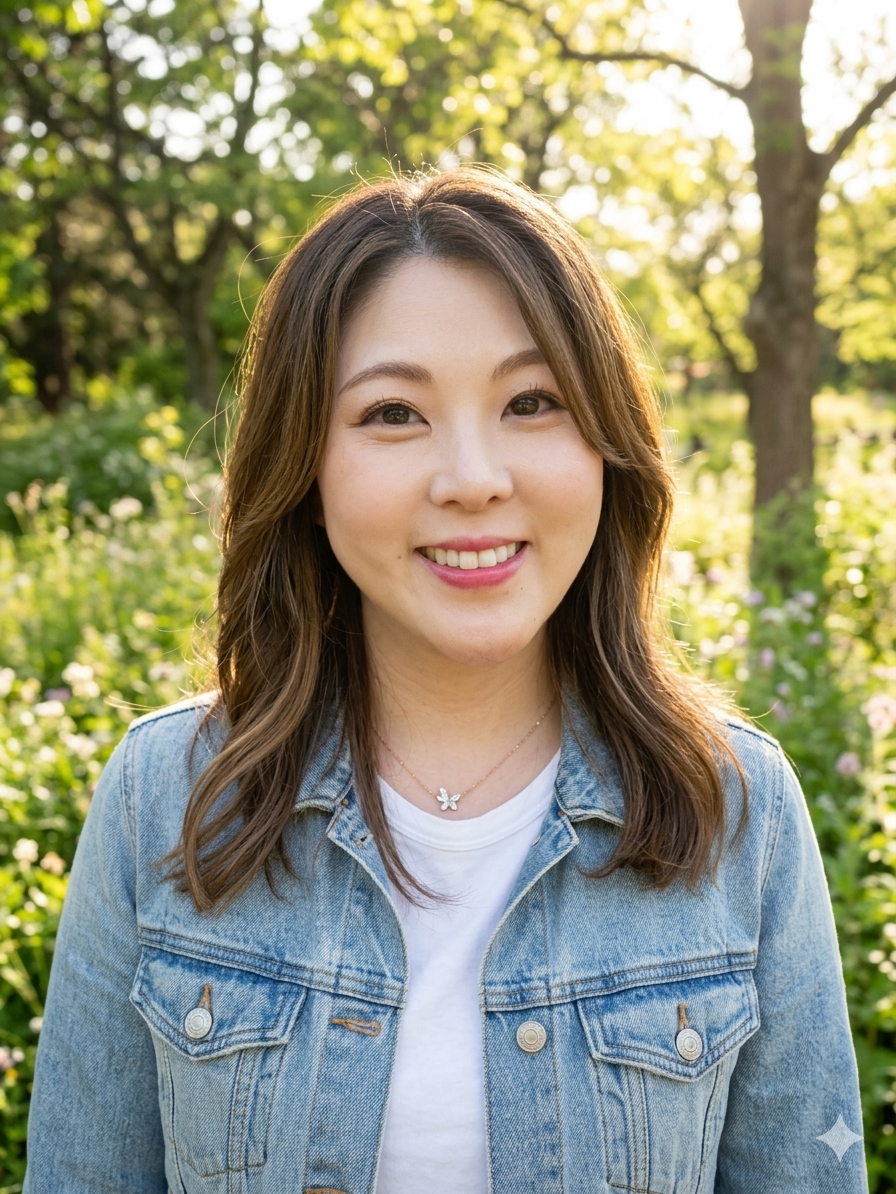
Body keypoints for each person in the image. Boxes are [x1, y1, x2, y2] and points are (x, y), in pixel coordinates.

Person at [25, 168, 866, 1194]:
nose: (471, 476)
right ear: (307, 470)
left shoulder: (734, 806)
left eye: (531, 400)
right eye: (392, 414)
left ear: (606, 445)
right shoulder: (164, 798)